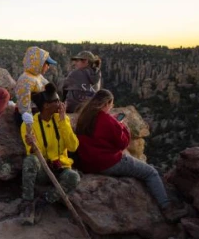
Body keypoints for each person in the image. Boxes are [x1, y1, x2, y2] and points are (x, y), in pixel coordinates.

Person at [75, 89, 188, 223]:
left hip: (88, 163)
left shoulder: (84, 117)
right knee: (151, 172)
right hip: (108, 163)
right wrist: (122, 126)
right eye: (111, 104)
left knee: (147, 168)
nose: (111, 107)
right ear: (107, 104)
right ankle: (167, 208)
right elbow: (122, 144)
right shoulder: (107, 120)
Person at [19, 83, 80, 226]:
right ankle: (27, 202)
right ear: (46, 105)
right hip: (43, 170)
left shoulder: (62, 120)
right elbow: (33, 153)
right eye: (56, 101)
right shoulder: (28, 125)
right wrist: (32, 144)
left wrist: (63, 122)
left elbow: (73, 146)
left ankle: (42, 202)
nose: (60, 104)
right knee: (30, 160)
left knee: (73, 177)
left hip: (61, 168)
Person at [13, 46, 58, 127]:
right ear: (39, 63)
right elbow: (24, 104)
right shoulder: (26, 80)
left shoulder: (38, 76)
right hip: (28, 115)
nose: (48, 67)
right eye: (47, 63)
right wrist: (29, 122)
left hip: (39, 111)